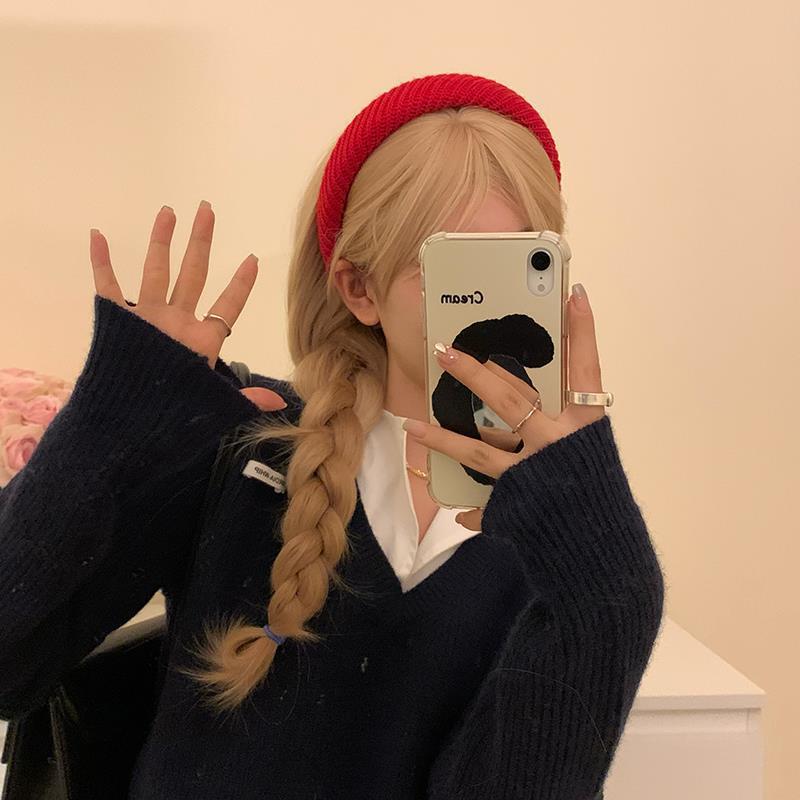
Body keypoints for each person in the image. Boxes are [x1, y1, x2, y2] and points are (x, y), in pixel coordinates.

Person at [0, 73, 665, 799]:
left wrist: (613, 590)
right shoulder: (246, 446)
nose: (490, 310)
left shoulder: (562, 521)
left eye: (523, 266)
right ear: (358, 289)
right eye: (455, 274)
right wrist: (111, 422)